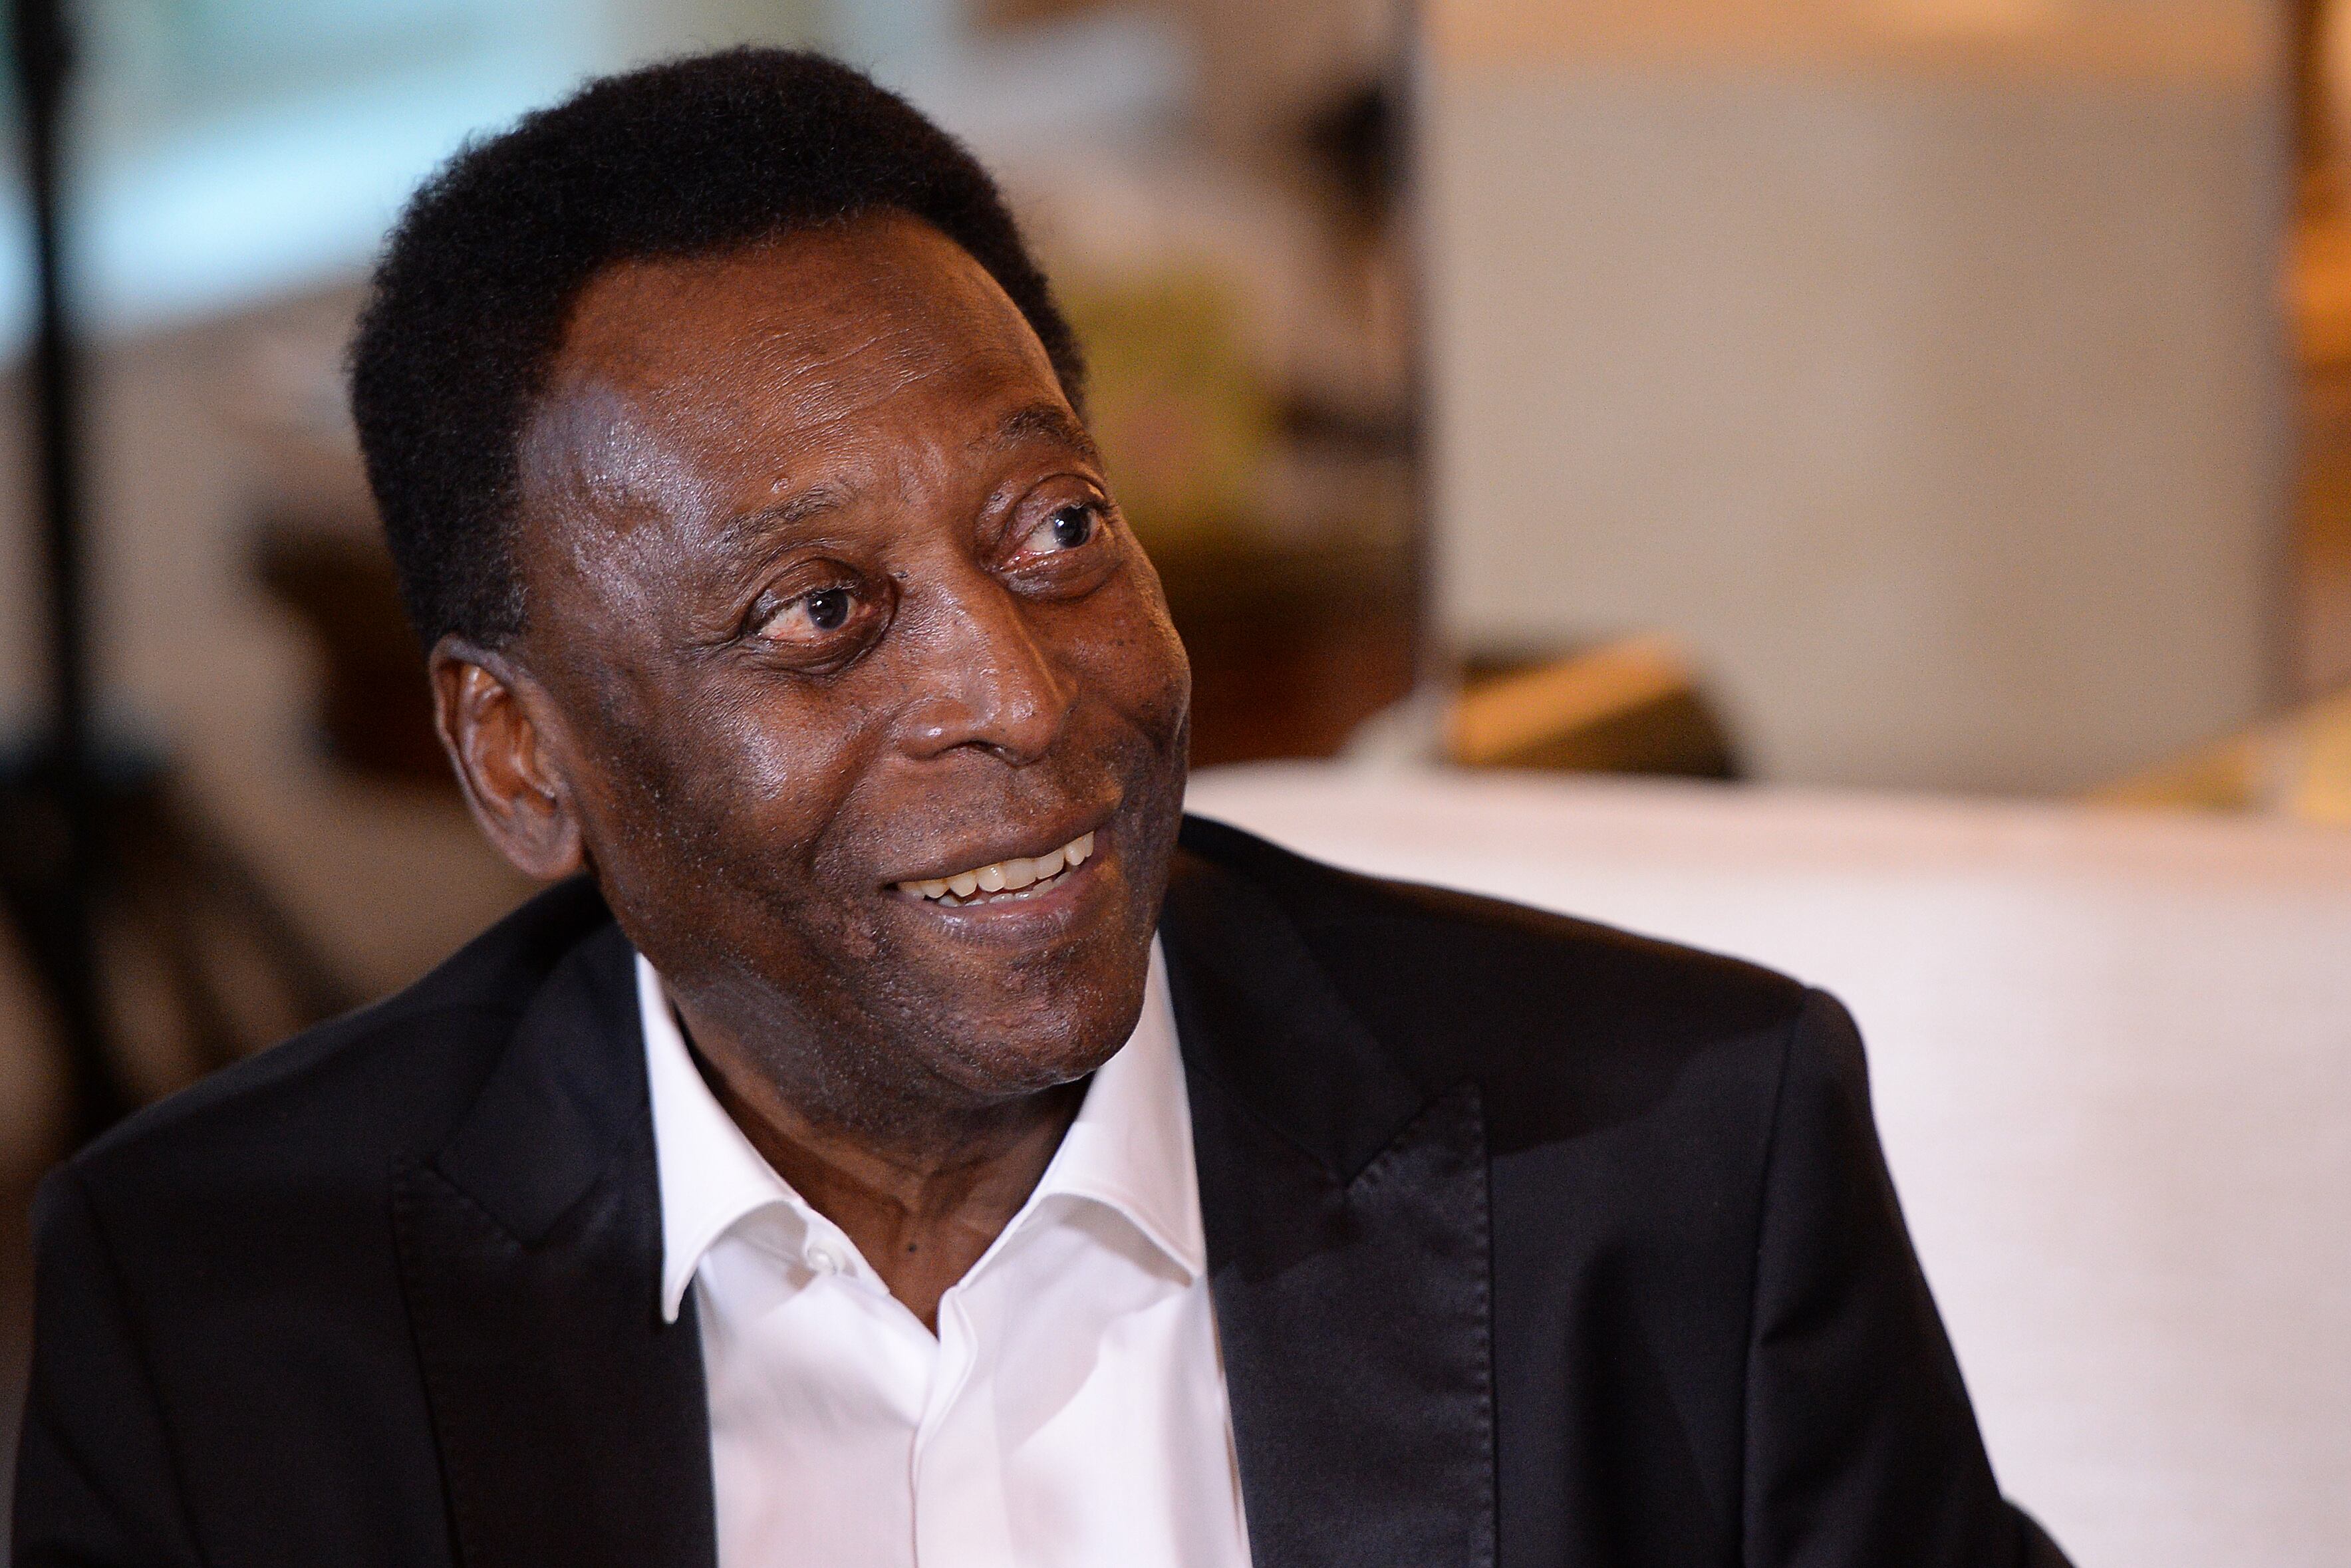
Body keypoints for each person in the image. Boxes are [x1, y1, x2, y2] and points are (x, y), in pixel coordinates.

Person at [12, 49, 2070, 1568]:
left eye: (1057, 525)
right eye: (820, 613)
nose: (1017, 685)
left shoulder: (1674, 1158)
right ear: (522, 760)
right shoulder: (229, 1302)